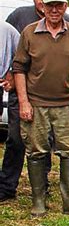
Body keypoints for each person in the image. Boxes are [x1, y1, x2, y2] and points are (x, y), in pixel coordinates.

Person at [12, 0, 69, 216]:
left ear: (65, 7)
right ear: (42, 7)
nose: (54, 10)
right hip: (36, 104)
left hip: (67, 104)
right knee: (36, 152)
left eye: (59, 5)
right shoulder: (29, 33)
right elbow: (19, 69)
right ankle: (38, 200)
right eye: (50, 5)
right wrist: (24, 102)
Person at [1, 0, 69, 202]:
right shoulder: (19, 18)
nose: (44, 4)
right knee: (16, 139)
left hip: (56, 100)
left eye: (53, 1)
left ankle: (43, 187)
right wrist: (10, 77)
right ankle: (7, 186)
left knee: (48, 143)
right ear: (36, 0)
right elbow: (10, 48)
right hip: (24, 94)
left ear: (62, 5)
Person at [0, 21, 19, 202]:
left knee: (14, 140)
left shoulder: (6, 29)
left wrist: (11, 73)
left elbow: (21, 57)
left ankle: (5, 187)